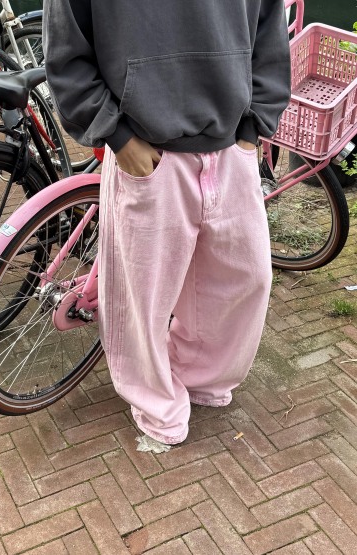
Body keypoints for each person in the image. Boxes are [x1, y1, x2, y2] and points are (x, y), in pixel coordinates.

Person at [43, 0, 291, 453]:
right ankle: (155, 402)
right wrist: (118, 137)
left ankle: (199, 375)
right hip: (147, 149)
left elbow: (269, 23)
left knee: (245, 278)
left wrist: (253, 128)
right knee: (142, 298)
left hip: (231, 144)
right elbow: (66, 47)